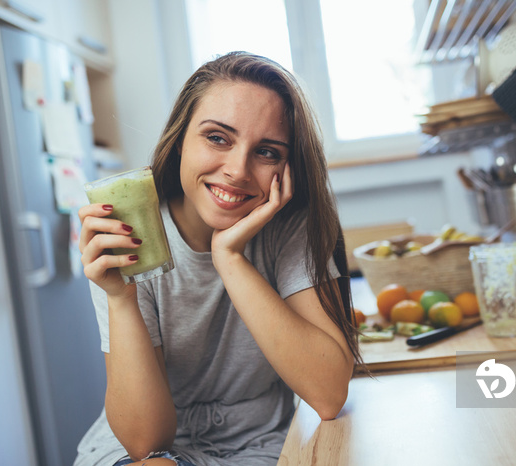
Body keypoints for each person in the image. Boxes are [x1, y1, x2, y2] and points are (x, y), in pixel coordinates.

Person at [74, 51, 362, 466]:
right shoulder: (129, 233)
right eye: (217, 138)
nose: (238, 170)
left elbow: (328, 393)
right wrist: (120, 299)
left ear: (288, 165)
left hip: (257, 443)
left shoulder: (289, 227)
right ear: (180, 139)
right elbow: (146, 444)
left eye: (267, 152)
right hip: (142, 442)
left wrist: (229, 257)